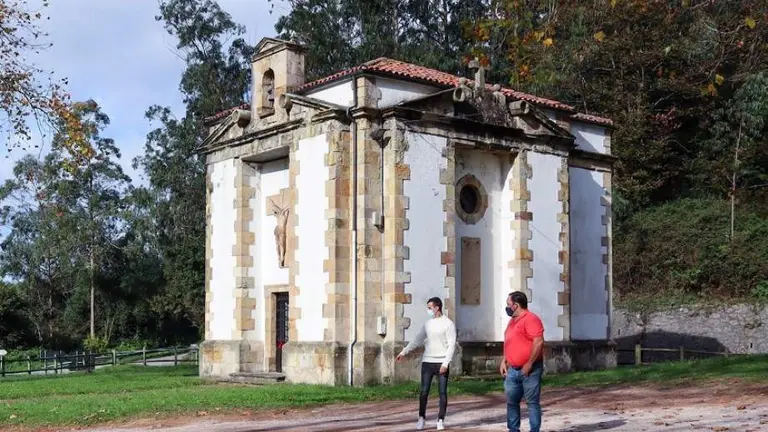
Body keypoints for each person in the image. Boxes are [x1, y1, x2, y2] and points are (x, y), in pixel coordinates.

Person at [396, 297, 457, 431]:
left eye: (430, 307)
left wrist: (445, 363)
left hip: (441, 363)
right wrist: (404, 352)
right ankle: (421, 418)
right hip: (428, 362)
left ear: (437, 308)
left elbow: (452, 345)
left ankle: (440, 420)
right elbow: (417, 339)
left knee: (442, 393)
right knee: (424, 392)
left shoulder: (448, 324)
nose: (428, 310)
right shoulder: (428, 324)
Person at [500, 291, 545, 432]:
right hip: (512, 369)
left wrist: (529, 363)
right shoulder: (512, 321)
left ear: (516, 305)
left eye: (508, 304)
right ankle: (513, 430)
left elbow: (538, 342)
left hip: (530, 370)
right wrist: (504, 360)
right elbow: (509, 342)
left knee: (532, 403)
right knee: (512, 403)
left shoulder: (531, 319)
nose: (507, 307)